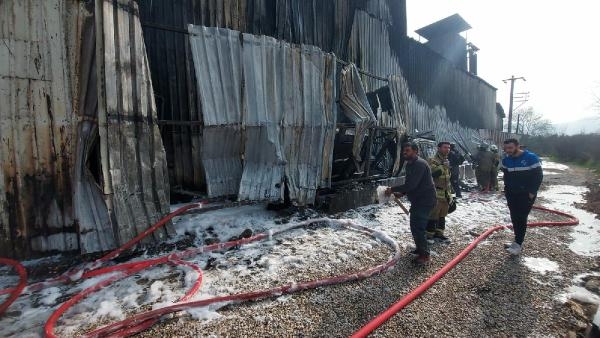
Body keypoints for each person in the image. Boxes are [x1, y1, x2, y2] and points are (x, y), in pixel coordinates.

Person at [385, 142, 437, 265]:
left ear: (415, 151)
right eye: (404, 150)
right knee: (415, 226)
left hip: (425, 200)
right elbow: (412, 185)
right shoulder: (410, 164)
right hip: (418, 200)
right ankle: (421, 249)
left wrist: (392, 189)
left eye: (407, 150)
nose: (405, 152)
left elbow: (412, 185)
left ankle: (425, 256)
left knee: (418, 227)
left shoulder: (419, 164)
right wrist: (402, 193)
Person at [501, 138, 543, 255]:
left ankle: (518, 244)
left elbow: (538, 176)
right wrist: (506, 190)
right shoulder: (506, 160)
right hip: (512, 194)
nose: (508, 150)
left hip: (526, 194)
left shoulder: (531, 158)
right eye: (506, 148)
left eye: (510, 148)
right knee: (514, 217)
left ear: (517, 146)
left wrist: (532, 192)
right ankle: (517, 241)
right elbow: (506, 176)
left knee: (521, 218)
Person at [426, 141, 454, 243]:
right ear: (438, 148)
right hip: (436, 193)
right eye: (445, 147)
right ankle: (429, 235)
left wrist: (451, 193)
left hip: (446, 193)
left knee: (443, 214)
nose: (447, 150)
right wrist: (443, 166)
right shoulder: (433, 160)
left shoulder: (446, 160)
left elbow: (447, 178)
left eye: (449, 148)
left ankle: (440, 233)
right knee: (433, 214)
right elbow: (433, 174)